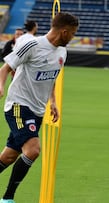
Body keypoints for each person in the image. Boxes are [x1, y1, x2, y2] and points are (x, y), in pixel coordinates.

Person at [0, 12, 79, 203]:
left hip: (38, 111)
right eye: (73, 33)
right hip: (18, 105)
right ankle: (7, 198)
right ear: (64, 31)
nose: (73, 37)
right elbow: (5, 67)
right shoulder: (33, 45)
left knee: (10, 156)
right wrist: (1, 85)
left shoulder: (62, 52)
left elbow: (51, 77)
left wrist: (53, 102)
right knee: (34, 150)